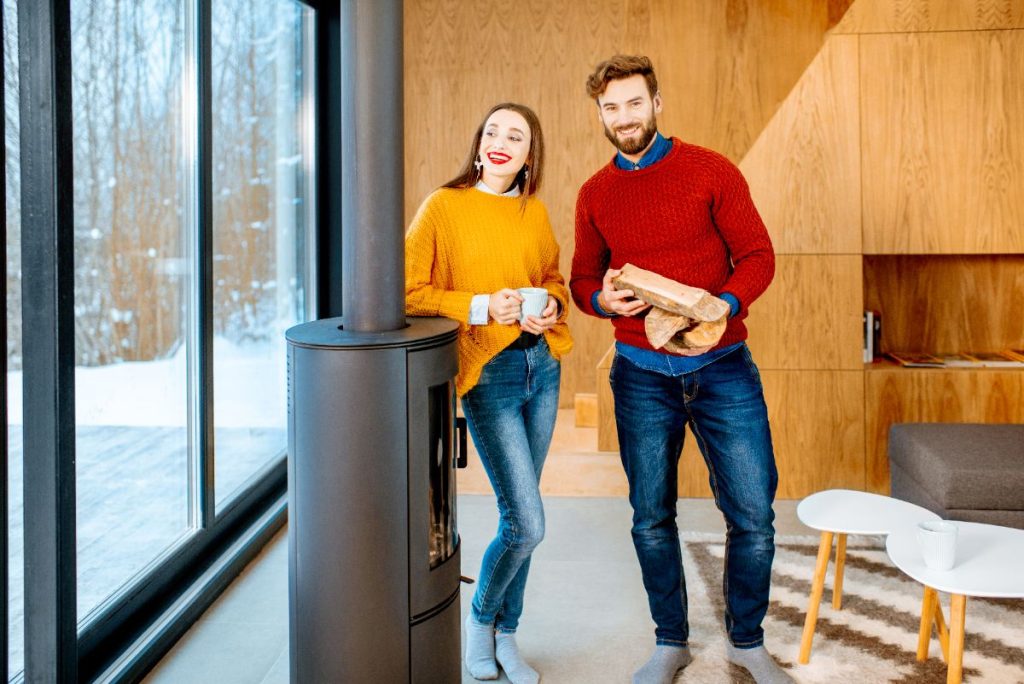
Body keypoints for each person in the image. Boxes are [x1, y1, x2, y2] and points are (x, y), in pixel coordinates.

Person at [570, 55, 792, 684]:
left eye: (633, 104)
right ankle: (671, 640)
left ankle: (747, 642)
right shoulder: (595, 192)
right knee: (650, 515)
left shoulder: (710, 170)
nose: (623, 118)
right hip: (639, 374)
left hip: (723, 368)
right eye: (610, 109)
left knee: (753, 512)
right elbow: (584, 277)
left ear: (657, 102)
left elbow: (756, 254)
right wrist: (599, 300)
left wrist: (717, 307)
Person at [405, 102, 573, 683]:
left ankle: (508, 635)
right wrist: (480, 306)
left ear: (531, 155)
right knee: (526, 522)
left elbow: (553, 277)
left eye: (517, 135)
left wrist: (550, 304)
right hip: (490, 376)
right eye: (494, 131)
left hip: (542, 369)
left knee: (520, 519)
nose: (502, 142)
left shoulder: (535, 211)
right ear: (479, 145)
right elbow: (407, 290)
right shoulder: (443, 207)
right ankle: (481, 621)